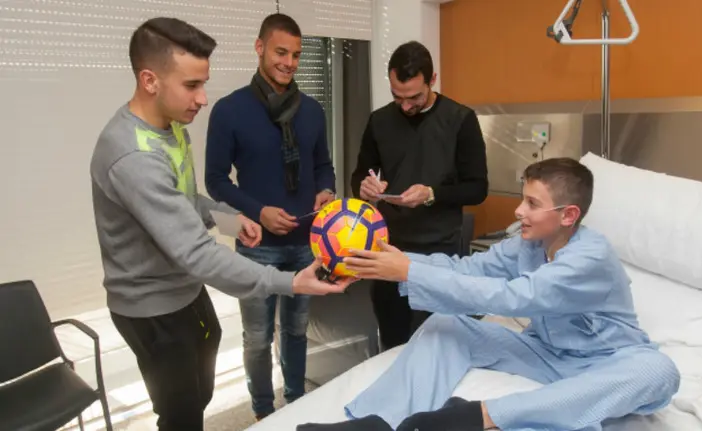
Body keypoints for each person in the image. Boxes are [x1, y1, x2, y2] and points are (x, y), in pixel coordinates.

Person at [90, 17, 350, 431]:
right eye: (191, 86)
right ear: (150, 80)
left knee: (201, 393)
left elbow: (185, 198)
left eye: (203, 83)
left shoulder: (171, 129)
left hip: (184, 291)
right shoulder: (132, 156)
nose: (203, 98)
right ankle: (259, 408)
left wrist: (228, 220)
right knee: (182, 416)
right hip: (151, 305)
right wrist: (290, 281)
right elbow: (195, 251)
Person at [300, 158, 681, 431]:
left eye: (532, 204)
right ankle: (380, 422)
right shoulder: (526, 245)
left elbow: (513, 298)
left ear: (568, 215)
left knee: (659, 371)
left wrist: (410, 271)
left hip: (605, 362)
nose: (519, 210)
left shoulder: (590, 257)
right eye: (522, 198)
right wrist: (395, 260)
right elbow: (467, 270)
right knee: (447, 324)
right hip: (545, 353)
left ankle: (477, 416)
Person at [204, 13, 336, 421]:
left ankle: (296, 403)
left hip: (305, 244)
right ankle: (264, 413)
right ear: (259, 48)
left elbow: (324, 166)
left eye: (296, 54)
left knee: (296, 332)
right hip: (257, 247)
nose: (290, 62)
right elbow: (214, 181)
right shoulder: (229, 111)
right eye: (281, 52)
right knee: (258, 338)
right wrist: (258, 211)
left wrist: (326, 190)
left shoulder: (312, 111)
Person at [350, 40, 488, 351]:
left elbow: (478, 188)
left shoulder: (460, 120)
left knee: (437, 344)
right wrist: (365, 188)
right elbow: (360, 174)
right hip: (387, 247)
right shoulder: (380, 121)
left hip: (439, 252)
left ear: (432, 80)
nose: (405, 106)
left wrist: (431, 194)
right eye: (397, 97)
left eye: (414, 97)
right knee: (394, 342)